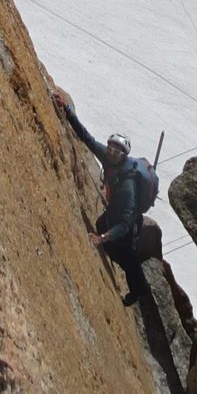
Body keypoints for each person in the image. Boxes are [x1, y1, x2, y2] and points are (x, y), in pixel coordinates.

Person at [52, 89, 149, 306]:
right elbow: (87, 138)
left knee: (123, 255)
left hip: (128, 221)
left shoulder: (128, 185)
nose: (111, 152)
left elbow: (125, 223)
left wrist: (103, 238)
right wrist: (66, 110)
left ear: (123, 156)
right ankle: (138, 284)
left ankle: (138, 290)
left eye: (117, 151)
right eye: (111, 148)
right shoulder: (108, 156)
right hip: (118, 209)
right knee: (100, 224)